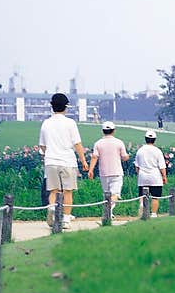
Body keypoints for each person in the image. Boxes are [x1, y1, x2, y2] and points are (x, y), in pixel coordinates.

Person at [39, 92, 88, 229]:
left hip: (51, 161)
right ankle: (66, 219)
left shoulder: (46, 123)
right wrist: (83, 161)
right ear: (66, 107)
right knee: (68, 191)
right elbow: (77, 144)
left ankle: (52, 209)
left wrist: (48, 152)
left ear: (52, 106)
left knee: (53, 191)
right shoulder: (70, 123)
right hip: (67, 161)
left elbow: (42, 146)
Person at [89, 120, 129, 217]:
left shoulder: (98, 143)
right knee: (115, 194)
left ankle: (108, 211)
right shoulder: (119, 142)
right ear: (113, 130)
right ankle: (109, 210)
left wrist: (91, 170)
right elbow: (124, 157)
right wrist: (127, 157)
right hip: (116, 172)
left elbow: (94, 157)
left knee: (106, 194)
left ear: (103, 131)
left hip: (104, 172)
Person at [134, 129, 168, 217]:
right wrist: (164, 176)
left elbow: (137, 166)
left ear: (145, 139)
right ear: (154, 140)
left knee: (142, 195)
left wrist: (139, 174)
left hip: (143, 176)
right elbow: (162, 166)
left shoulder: (140, 151)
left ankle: (142, 206)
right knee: (155, 196)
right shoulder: (157, 151)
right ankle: (153, 213)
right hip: (155, 176)